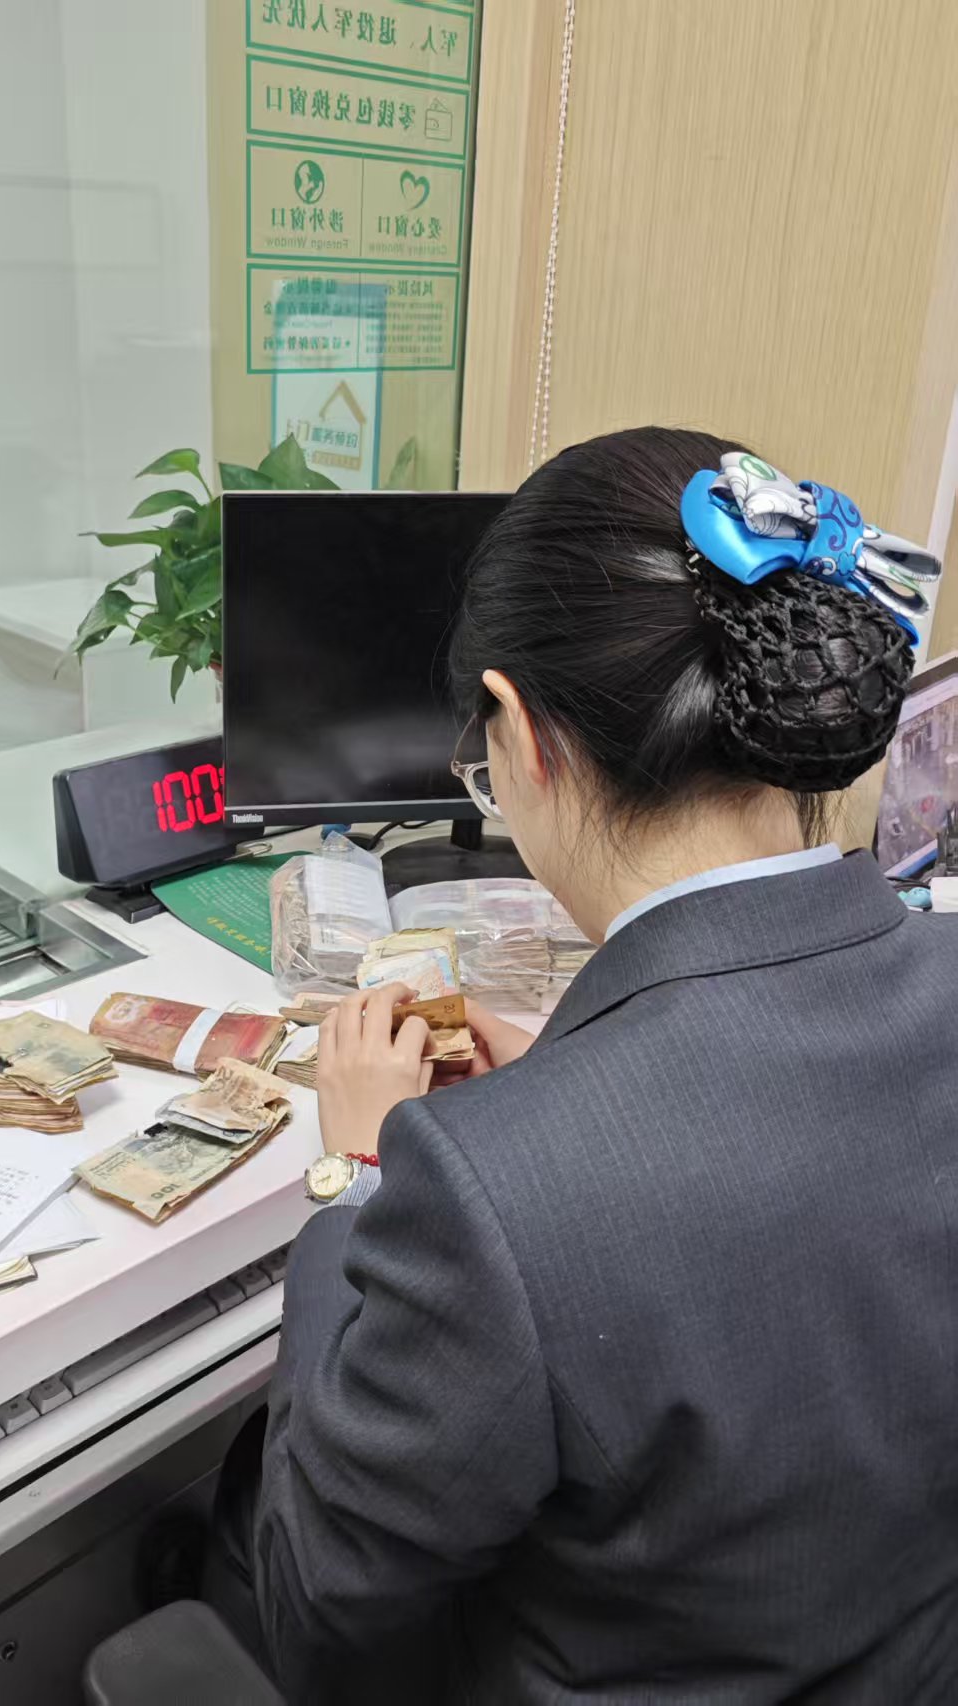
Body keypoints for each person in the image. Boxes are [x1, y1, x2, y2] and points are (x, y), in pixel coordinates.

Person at [237, 427, 958, 1703]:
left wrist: (358, 1168)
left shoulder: (490, 1192)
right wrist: (571, 1075)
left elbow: (316, 1617)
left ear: (521, 732)